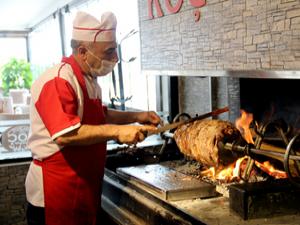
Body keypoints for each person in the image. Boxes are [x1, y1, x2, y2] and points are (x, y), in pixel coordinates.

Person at [25, 11, 161, 225]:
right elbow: (66, 134)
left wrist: (137, 115)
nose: (115, 58)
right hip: (55, 192)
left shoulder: (89, 79)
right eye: (109, 52)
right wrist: (117, 132)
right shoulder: (58, 80)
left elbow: (100, 114)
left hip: (82, 186)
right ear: (83, 51)